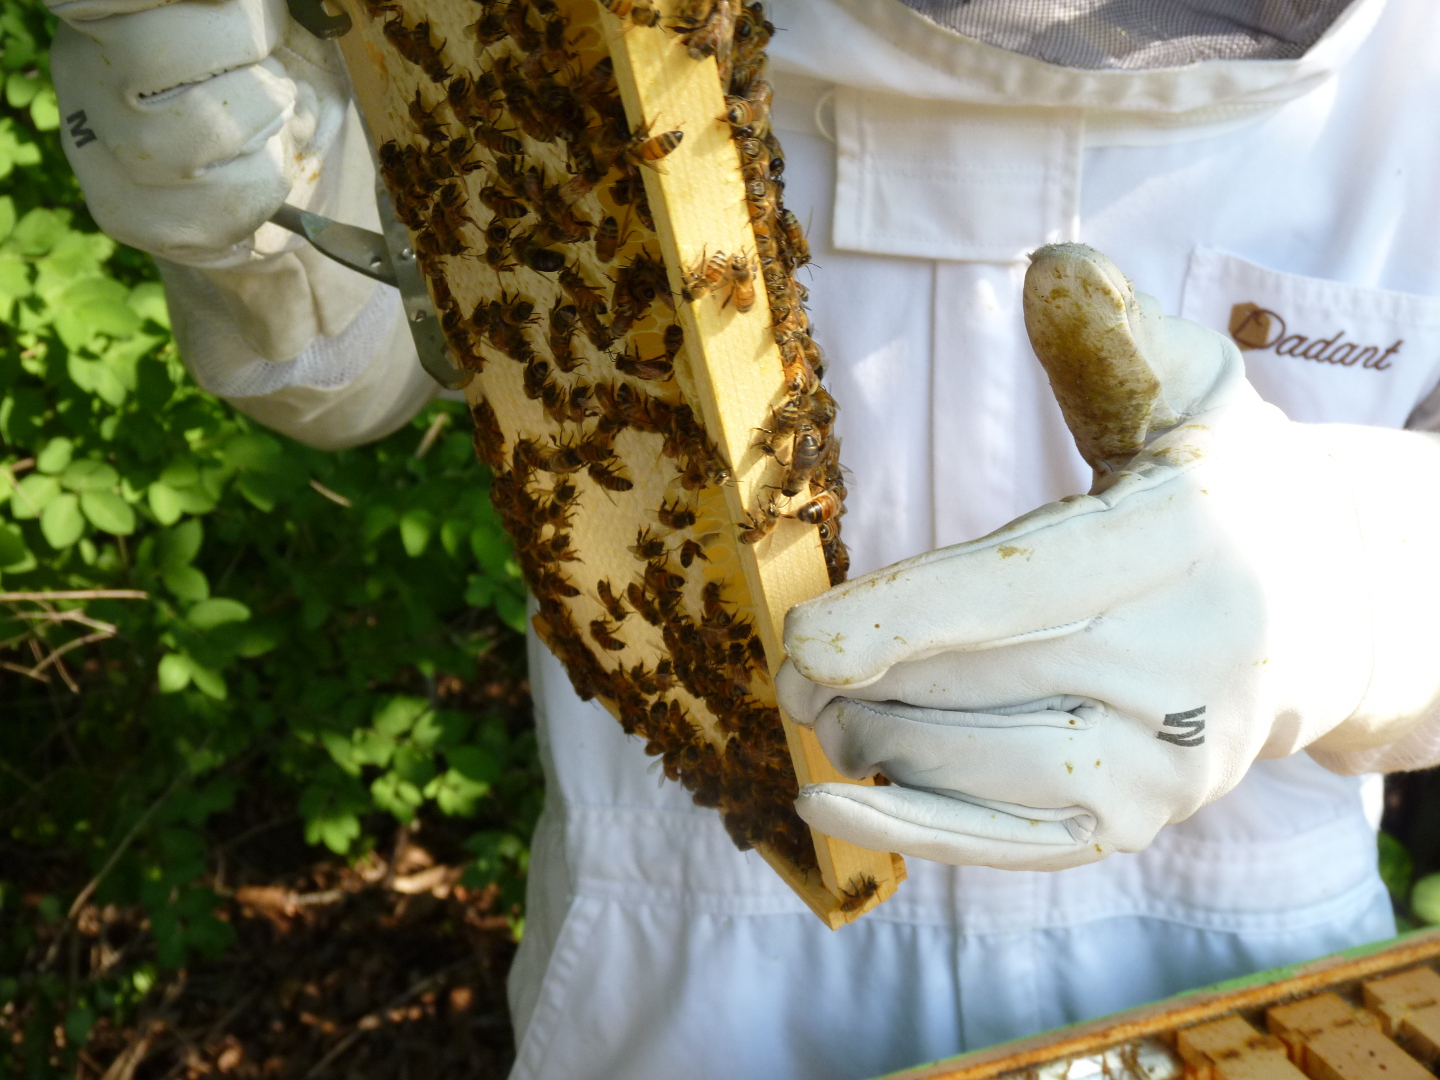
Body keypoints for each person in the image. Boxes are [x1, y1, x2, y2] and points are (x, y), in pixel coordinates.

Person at [45, 0, 1440, 1077]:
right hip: (686, 969)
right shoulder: (573, 36)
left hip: (1254, 972)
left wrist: (1358, 586)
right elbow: (349, 362)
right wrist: (248, 203)